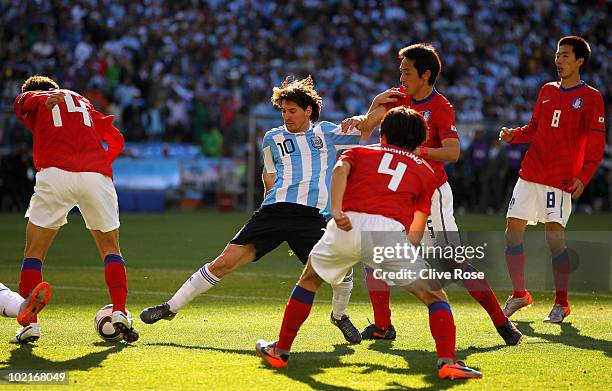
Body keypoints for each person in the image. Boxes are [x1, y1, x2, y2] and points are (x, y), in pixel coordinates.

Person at [140, 76, 371, 343]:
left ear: (308, 110)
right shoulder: (272, 137)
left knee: (341, 272)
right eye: (283, 111)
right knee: (223, 262)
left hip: (312, 216)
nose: (286, 116)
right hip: (274, 211)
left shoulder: (328, 133)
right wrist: (265, 208)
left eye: (292, 111)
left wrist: (379, 105)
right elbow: (268, 176)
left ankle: (339, 316)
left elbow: (367, 127)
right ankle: (170, 307)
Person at [256, 107, 482, 380]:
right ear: (420, 142)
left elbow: (340, 169)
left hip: (347, 225)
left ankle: (280, 351)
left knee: (309, 280)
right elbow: (420, 217)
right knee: (434, 296)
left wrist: (337, 210)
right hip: (389, 234)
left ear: (383, 134)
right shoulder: (425, 170)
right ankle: (447, 361)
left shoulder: (363, 152)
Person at [345, 43, 521, 345]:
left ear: (426, 75)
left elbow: (453, 153)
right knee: (373, 258)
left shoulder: (440, 107)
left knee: (453, 262)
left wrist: (417, 150)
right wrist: (371, 108)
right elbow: (368, 125)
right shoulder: (396, 98)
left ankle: (502, 323)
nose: (401, 76)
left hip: (431, 194)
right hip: (397, 193)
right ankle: (383, 327)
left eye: (407, 71)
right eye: (400, 70)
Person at [13, 75, 137, 343]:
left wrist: (40, 99)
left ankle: (29, 324)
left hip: (56, 173)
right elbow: (115, 137)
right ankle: (119, 312)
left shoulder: (39, 99)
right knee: (111, 249)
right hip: (96, 176)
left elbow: (21, 101)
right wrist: (103, 161)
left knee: (34, 252)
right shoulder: (82, 101)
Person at [499, 36, 606, 323]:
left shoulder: (592, 97)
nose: (559, 60)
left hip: (559, 179)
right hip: (531, 171)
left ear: (580, 61)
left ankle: (562, 303)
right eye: (557, 55)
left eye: (566, 56)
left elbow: (597, 145)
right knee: (512, 233)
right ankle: (519, 294)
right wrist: (514, 135)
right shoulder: (546, 90)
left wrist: (583, 177)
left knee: (555, 241)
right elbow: (534, 127)